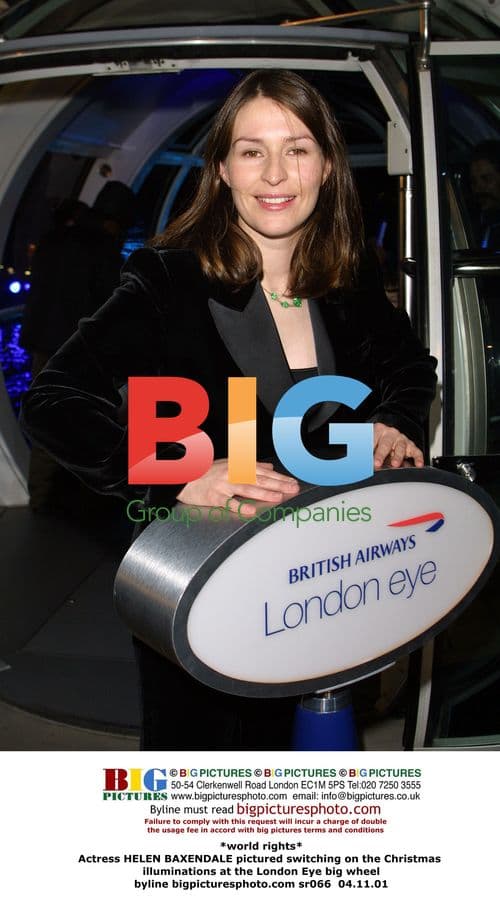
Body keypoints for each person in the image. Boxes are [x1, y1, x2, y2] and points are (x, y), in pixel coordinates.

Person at [20, 70, 437, 750]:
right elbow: (54, 399)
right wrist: (176, 473)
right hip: (211, 585)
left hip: (330, 577)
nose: (276, 173)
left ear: (327, 165)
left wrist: (396, 421)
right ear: (222, 167)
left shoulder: (347, 274)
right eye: (252, 150)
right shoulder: (169, 280)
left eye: (298, 148)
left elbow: (409, 369)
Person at [20, 182, 137, 512]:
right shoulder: (104, 249)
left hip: (43, 344)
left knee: (46, 419)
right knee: (90, 421)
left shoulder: (53, 239)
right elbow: (108, 308)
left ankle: (39, 498)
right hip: (78, 352)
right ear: (118, 219)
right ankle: (80, 496)